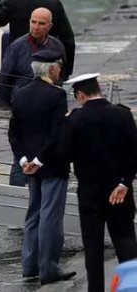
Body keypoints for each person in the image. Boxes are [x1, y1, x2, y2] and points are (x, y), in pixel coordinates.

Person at [59, 73, 137, 292]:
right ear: (99, 89)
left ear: (80, 95)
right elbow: (134, 153)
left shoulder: (75, 119)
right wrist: (124, 183)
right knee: (125, 240)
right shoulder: (122, 114)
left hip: (90, 191)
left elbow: (64, 154)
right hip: (119, 190)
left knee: (93, 246)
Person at [8, 49, 76, 285]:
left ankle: (29, 265)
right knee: (50, 216)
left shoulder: (20, 94)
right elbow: (57, 133)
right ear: (52, 69)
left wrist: (24, 160)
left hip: (29, 166)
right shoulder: (57, 95)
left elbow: (13, 133)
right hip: (52, 165)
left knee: (33, 213)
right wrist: (39, 160)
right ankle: (48, 267)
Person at [0, 8, 67, 186]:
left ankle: (42, 183)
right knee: (20, 151)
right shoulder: (16, 47)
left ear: (50, 26)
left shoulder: (57, 46)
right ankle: (17, 190)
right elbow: (4, 79)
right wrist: (14, 104)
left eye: (41, 23)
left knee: (49, 146)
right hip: (24, 107)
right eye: (33, 22)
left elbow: (62, 74)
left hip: (49, 107)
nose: (36, 27)